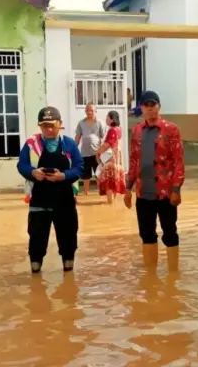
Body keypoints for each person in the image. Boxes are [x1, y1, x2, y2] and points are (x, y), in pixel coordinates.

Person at [124, 90, 185, 272]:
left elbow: (178, 161)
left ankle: (173, 274)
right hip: (143, 192)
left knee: (169, 232)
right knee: (146, 233)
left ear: (159, 107)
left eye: (153, 106)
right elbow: (134, 160)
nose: (150, 110)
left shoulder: (171, 129)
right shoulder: (136, 131)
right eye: (146, 106)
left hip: (166, 192)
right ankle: (150, 276)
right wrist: (128, 188)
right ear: (141, 108)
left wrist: (176, 188)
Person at [17, 106, 84, 273]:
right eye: (44, 125)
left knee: (68, 239)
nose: (48, 129)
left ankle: (68, 275)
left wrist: (64, 176)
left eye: (51, 125)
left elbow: (79, 168)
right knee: (37, 240)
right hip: (39, 201)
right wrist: (33, 173)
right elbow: (22, 164)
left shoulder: (69, 144)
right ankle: (35, 273)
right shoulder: (32, 144)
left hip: (65, 201)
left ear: (60, 124)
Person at [74, 103, 107, 196]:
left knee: (98, 174)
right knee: (86, 175)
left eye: (92, 110)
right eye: (88, 110)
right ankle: (85, 193)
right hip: (84, 153)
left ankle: (101, 192)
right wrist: (72, 149)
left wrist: (103, 151)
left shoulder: (100, 122)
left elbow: (104, 138)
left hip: (97, 153)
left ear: (95, 111)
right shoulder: (81, 123)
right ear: (85, 111)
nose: (89, 112)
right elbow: (77, 137)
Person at [96, 110, 126, 205]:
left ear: (112, 119)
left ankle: (110, 203)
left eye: (107, 118)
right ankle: (112, 203)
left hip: (113, 157)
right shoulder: (119, 129)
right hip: (119, 158)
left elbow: (107, 145)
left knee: (108, 181)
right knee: (114, 180)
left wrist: (98, 152)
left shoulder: (112, 130)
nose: (106, 119)